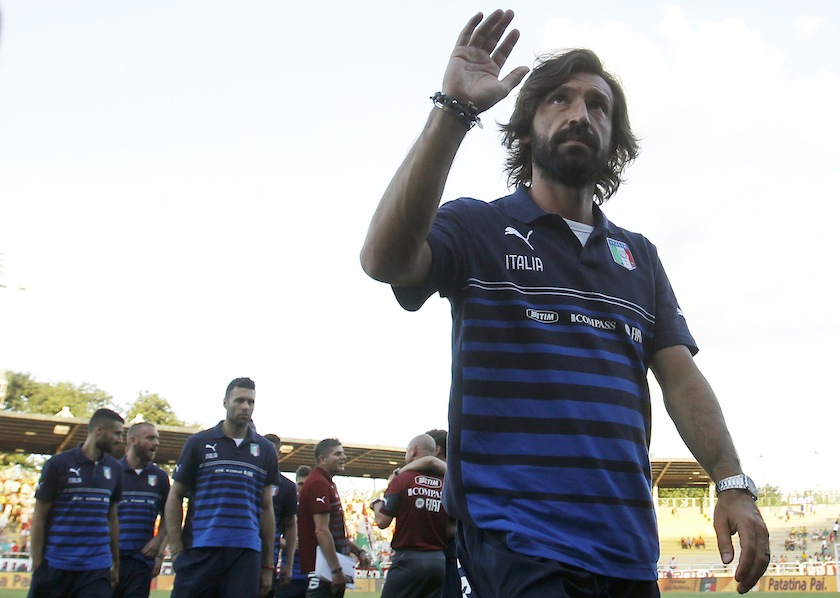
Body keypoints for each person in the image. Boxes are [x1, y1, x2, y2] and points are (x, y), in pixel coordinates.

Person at [360, 9, 770, 596]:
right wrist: (453, 113)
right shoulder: (478, 227)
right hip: (518, 546)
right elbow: (384, 261)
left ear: (613, 139)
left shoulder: (639, 256)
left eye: (597, 106)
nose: (580, 113)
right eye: (559, 100)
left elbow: (680, 379)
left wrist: (732, 481)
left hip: (628, 552)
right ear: (525, 131)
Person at [165, 377, 279, 598]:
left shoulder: (264, 450)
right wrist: (176, 551)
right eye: (239, 400)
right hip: (200, 548)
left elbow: (267, 508)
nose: (245, 406)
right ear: (226, 402)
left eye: (250, 402)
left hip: (245, 554)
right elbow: (175, 495)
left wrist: (267, 565)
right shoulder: (198, 443)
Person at [28, 408, 125, 598]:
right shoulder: (58, 464)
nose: (120, 440)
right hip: (56, 565)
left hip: (96, 569)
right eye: (117, 433)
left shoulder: (115, 469)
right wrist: (37, 563)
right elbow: (40, 515)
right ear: (99, 430)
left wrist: (116, 563)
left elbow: (112, 519)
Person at [372, 434, 449, 598]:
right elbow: (451, 527)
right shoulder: (446, 482)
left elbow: (382, 521)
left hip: (408, 559)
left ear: (413, 451)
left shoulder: (402, 479)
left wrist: (375, 503)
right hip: (439, 561)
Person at [297, 439, 371, 597]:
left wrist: (358, 551)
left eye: (343, 453)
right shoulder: (318, 483)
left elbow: (332, 531)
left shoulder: (327, 483)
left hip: (330, 566)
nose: (343, 457)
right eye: (337, 454)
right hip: (322, 569)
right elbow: (322, 530)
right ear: (322, 459)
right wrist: (336, 570)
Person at [113, 422, 170, 598]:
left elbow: (170, 515)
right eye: (150, 438)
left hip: (141, 563)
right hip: (109, 560)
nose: (156, 443)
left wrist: (159, 544)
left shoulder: (160, 478)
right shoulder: (112, 472)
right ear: (133, 440)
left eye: (157, 439)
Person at [263, 434, 299, 598]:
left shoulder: (286, 487)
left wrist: (288, 564)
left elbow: (291, 525)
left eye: (272, 451)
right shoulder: (246, 478)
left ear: (278, 454)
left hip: (268, 562)